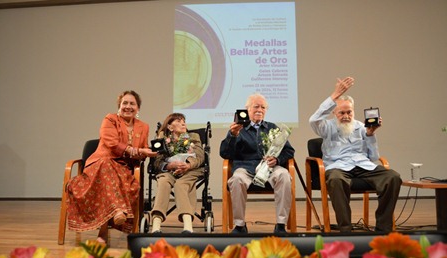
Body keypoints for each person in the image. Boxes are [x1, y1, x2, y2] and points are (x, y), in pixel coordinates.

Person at [309, 76, 402, 232]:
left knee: (393, 177)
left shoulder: (361, 127)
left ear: (354, 111)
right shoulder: (327, 127)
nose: (346, 116)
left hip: (363, 166)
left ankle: (383, 228)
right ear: (334, 113)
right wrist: (334, 95)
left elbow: (373, 158)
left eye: (349, 112)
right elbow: (313, 120)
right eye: (341, 113)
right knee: (336, 180)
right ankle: (345, 228)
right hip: (338, 167)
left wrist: (371, 134)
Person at [67, 90, 156, 242]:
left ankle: (103, 235)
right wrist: (136, 151)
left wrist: (145, 153)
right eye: (125, 103)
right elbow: (112, 143)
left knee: (111, 180)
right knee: (107, 166)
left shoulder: (144, 127)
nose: (128, 106)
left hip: (124, 169)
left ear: (138, 108)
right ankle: (118, 210)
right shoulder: (110, 119)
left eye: (132, 104)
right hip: (100, 164)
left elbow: (144, 148)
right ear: (119, 106)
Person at [220, 93, 295, 234]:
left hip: (270, 168)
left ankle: (281, 225)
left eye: (263, 107)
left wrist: (277, 160)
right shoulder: (239, 129)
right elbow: (225, 153)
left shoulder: (272, 128)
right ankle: (240, 225)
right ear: (247, 109)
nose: (260, 109)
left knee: (284, 175)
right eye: (256, 106)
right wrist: (232, 135)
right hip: (245, 167)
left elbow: (289, 151)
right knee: (236, 180)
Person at [150, 113, 205, 234]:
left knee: (181, 184)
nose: (183, 123)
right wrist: (170, 165)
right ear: (170, 127)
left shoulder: (193, 136)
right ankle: (156, 225)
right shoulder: (162, 140)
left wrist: (188, 165)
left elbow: (200, 156)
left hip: (190, 170)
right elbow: (157, 162)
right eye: (179, 121)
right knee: (164, 181)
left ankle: (188, 226)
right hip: (169, 170)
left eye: (184, 121)